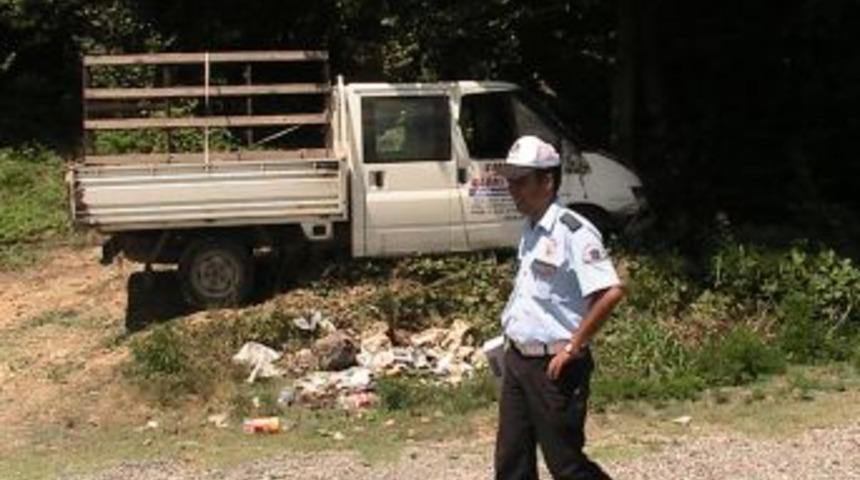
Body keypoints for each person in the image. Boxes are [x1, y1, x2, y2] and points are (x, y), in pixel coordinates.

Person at [494, 135, 624, 480]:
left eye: (521, 181)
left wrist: (573, 346)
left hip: (554, 366)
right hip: (519, 360)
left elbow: (610, 291)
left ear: (547, 181)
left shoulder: (573, 231)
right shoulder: (530, 230)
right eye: (511, 181)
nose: (513, 189)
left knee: (565, 464)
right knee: (511, 461)